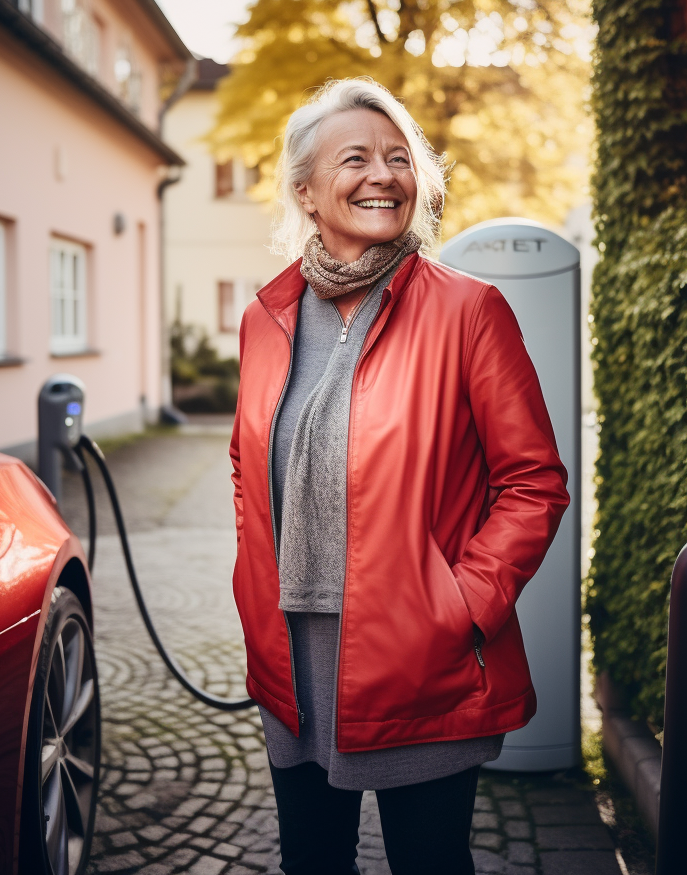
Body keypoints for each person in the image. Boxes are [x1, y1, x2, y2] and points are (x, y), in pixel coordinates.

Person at [229, 77, 569, 875]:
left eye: (398, 158)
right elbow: (247, 469)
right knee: (311, 863)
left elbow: (532, 482)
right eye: (356, 159)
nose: (383, 175)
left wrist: (459, 607)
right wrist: (251, 592)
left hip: (418, 660)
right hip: (293, 659)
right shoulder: (265, 318)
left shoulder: (468, 311)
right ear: (307, 193)